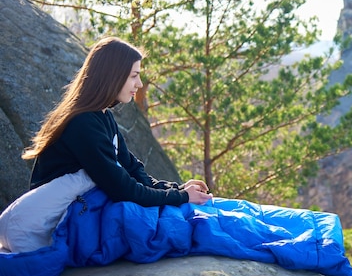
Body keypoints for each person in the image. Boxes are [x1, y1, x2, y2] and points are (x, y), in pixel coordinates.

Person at [21, 36, 213, 207]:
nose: (139, 84)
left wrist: (179, 190)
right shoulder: (82, 123)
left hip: (83, 208)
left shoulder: (103, 117)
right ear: (113, 77)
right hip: (58, 220)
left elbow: (133, 171)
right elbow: (123, 189)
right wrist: (181, 197)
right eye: (134, 76)